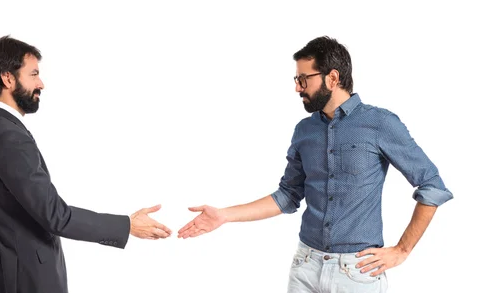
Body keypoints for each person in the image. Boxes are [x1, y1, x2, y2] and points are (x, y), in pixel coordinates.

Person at [176, 36, 453, 292]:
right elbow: (287, 196)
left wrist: (402, 250)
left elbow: (431, 186)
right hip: (305, 267)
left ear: (332, 78)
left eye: (303, 79)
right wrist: (224, 215)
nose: (297, 87)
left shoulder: (380, 124)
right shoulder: (304, 131)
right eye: (296, 79)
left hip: (358, 273)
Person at [0, 35, 172, 293]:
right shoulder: (8, 136)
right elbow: (55, 216)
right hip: (30, 282)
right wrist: (127, 226)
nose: (41, 83)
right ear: (8, 78)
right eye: (33, 74)